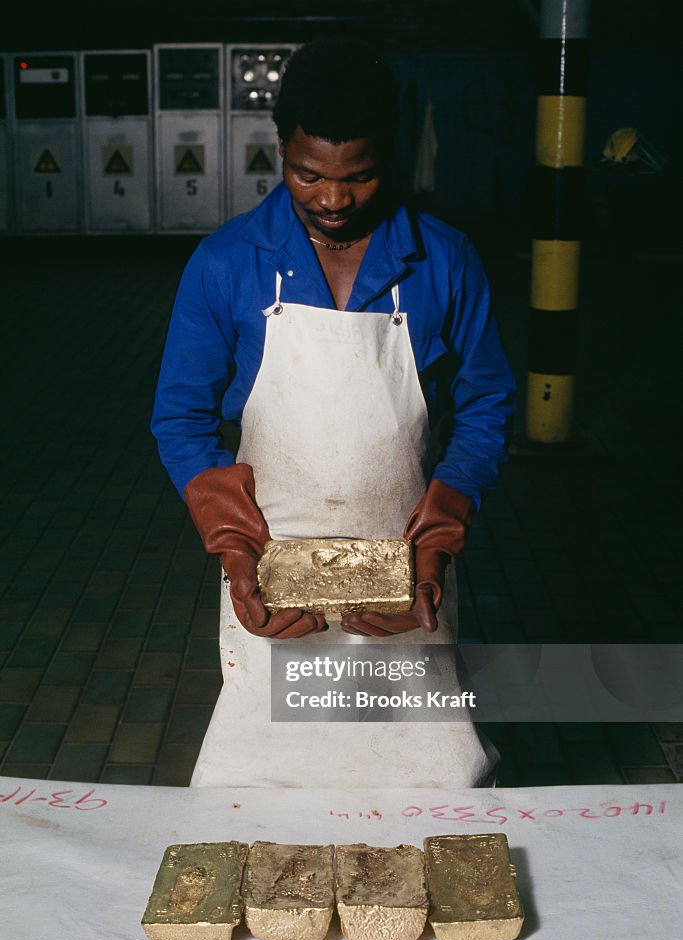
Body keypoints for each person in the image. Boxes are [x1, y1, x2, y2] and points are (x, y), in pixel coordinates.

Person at [151, 36, 516, 788]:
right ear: (279, 146)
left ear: (396, 152)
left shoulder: (443, 261)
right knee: (263, 787)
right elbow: (181, 420)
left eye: (362, 175)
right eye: (306, 173)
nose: (332, 198)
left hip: (405, 573)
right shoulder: (225, 264)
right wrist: (234, 551)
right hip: (271, 572)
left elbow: (486, 404)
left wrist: (436, 542)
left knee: (424, 781)